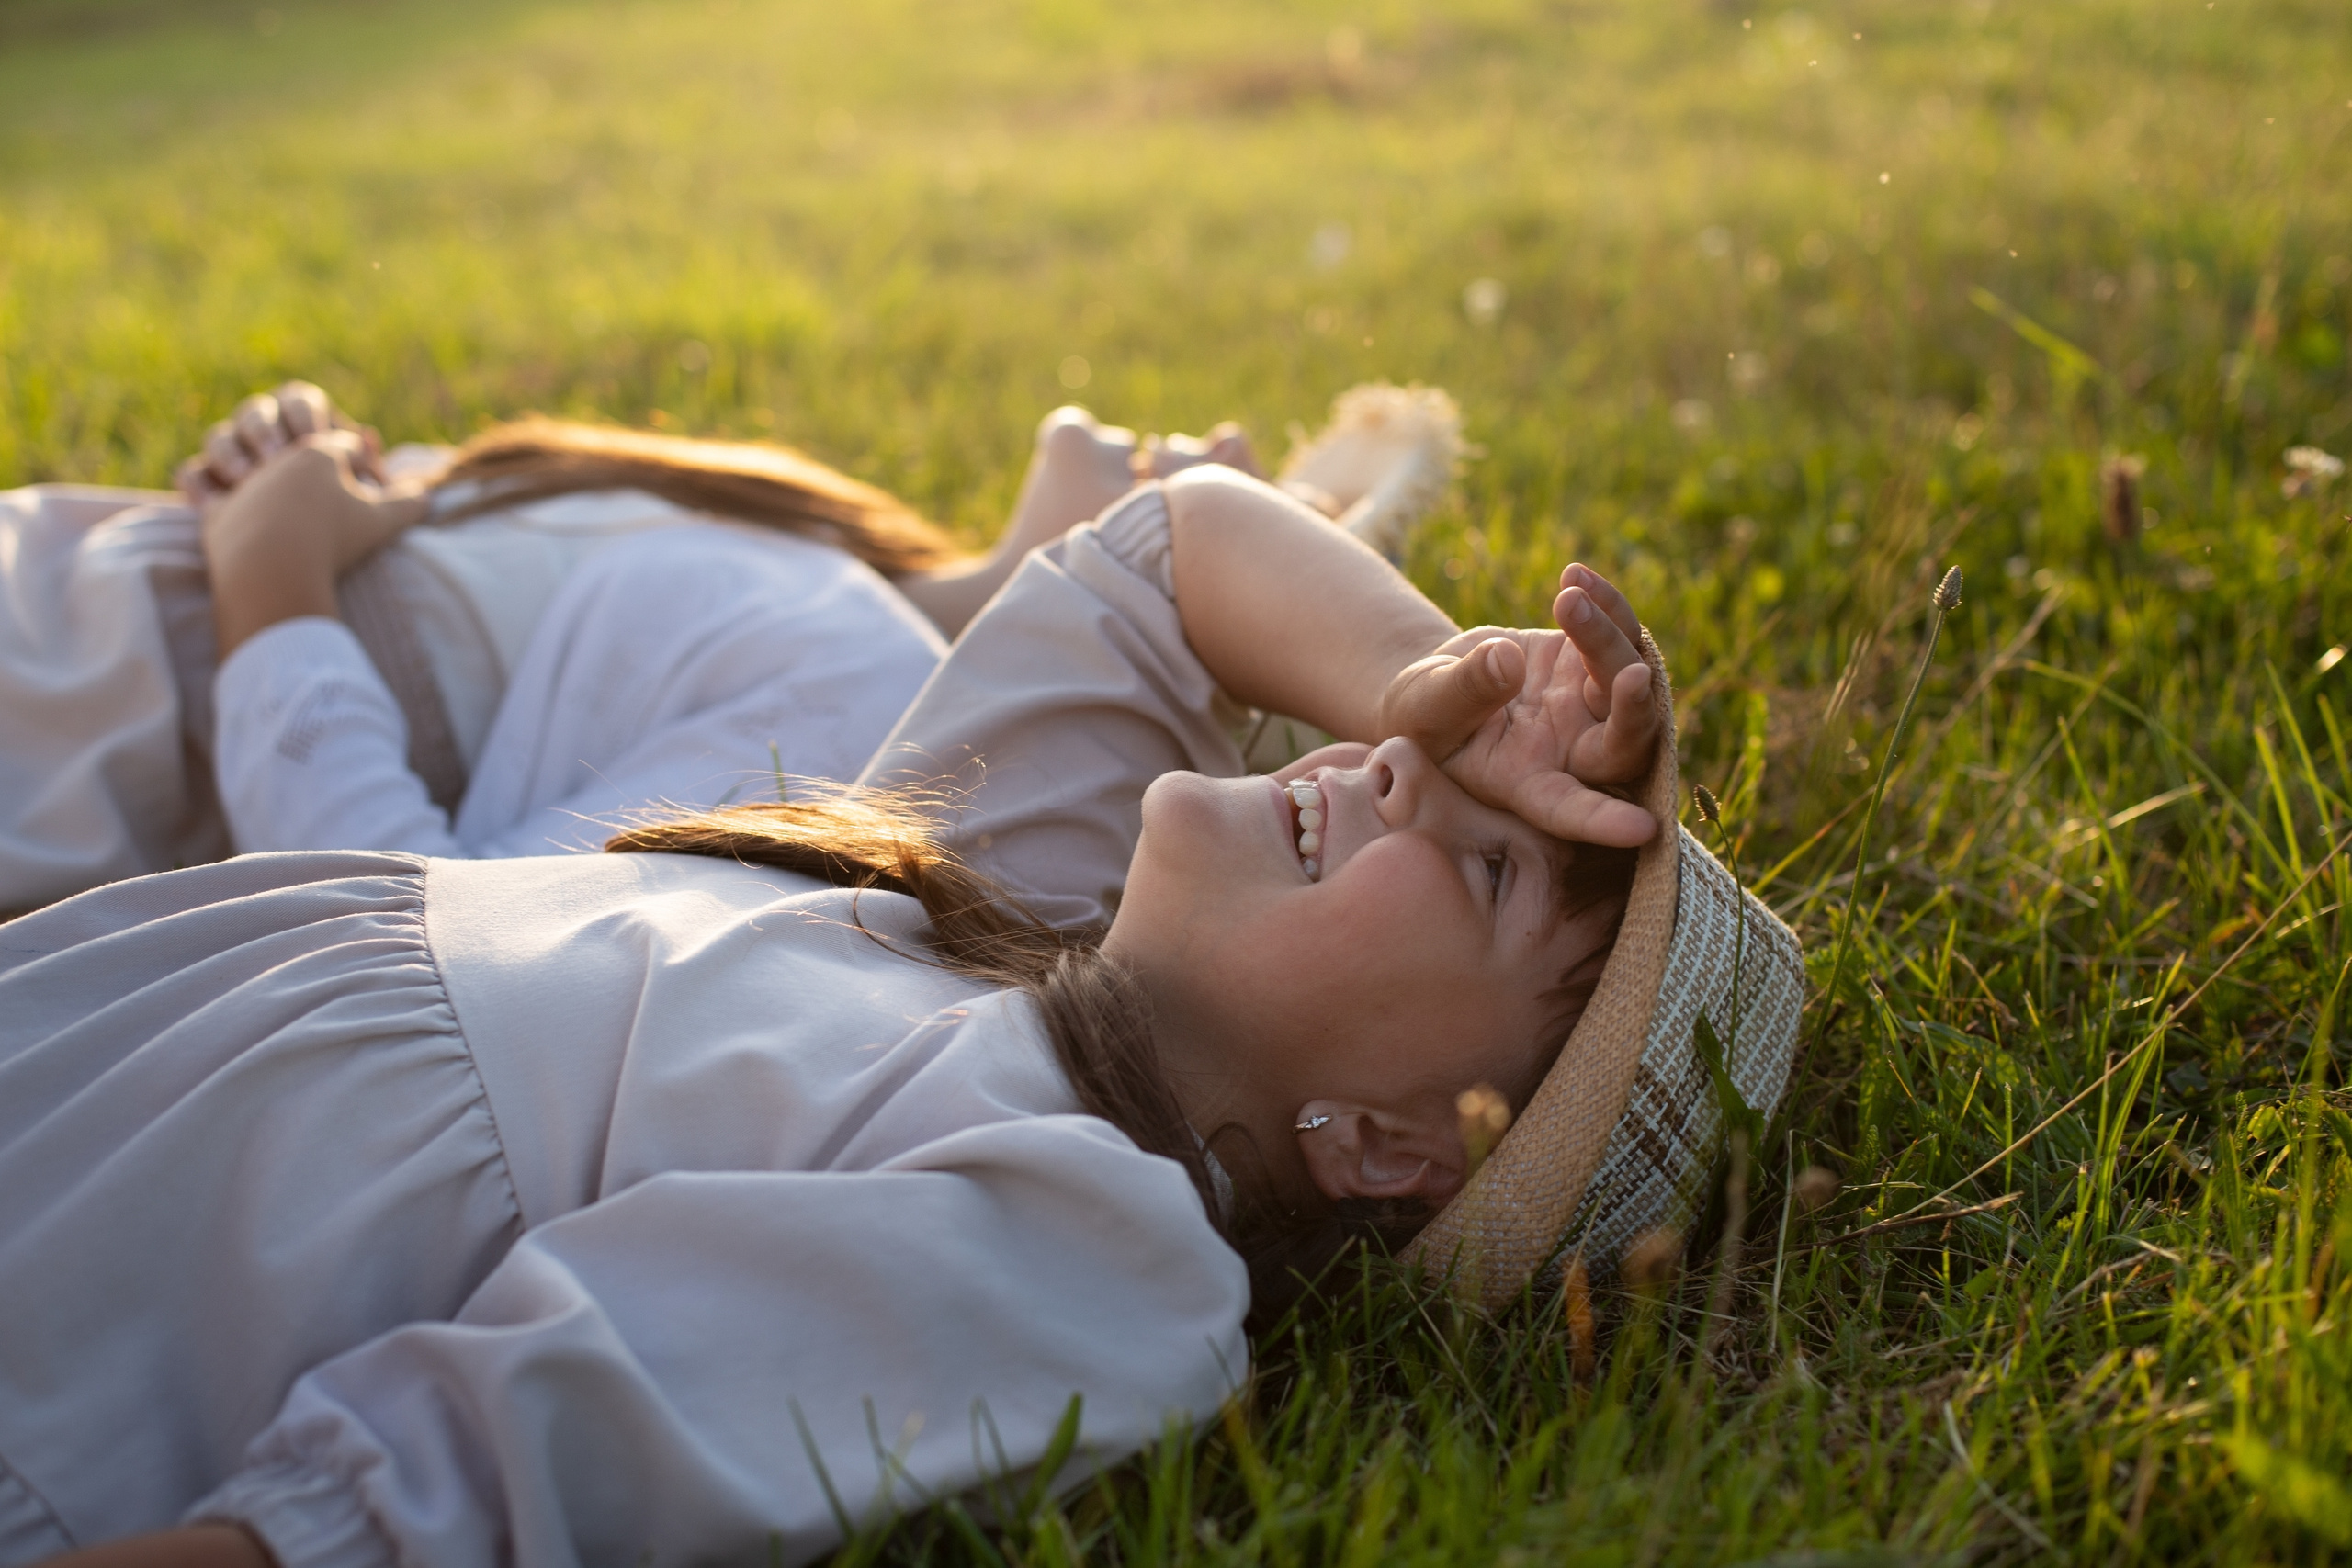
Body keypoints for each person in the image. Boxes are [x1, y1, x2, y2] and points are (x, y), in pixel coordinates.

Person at [0, 457, 1804, 1568]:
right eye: (1444, 769)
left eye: (1478, 870)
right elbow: (1169, 547)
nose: (1394, 766)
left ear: (1396, 1148)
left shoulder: (1089, 1242)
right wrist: (1431, 675)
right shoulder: (1002, 920)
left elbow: (424, 1502)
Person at [0, 381, 1280, 911]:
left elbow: (408, 914)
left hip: (83, 731)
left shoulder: (863, 713)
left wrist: (266, 569)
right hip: (67, 584)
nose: (1225, 458)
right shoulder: (819, 563)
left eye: (1278, 532)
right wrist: (286, 460)